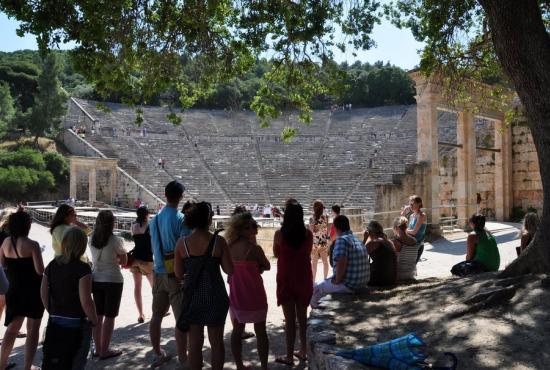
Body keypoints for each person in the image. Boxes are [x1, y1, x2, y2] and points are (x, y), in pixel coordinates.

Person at [174, 202, 233, 370]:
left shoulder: (182, 243)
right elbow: (229, 270)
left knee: (194, 344)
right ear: (209, 219)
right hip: (215, 296)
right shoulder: (219, 242)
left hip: (193, 298)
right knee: (216, 343)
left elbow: (179, 274)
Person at [41, 227, 98, 369]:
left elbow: (43, 293)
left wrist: (52, 310)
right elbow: (86, 299)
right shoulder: (83, 269)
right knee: (76, 362)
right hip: (77, 322)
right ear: (82, 245)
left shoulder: (52, 265)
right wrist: (94, 319)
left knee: (56, 360)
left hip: (55, 321)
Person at [148, 181, 190, 367]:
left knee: (156, 316)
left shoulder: (154, 219)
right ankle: (183, 357)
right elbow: (186, 248)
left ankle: (158, 352)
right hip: (176, 273)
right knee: (180, 318)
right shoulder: (181, 219)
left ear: (165, 195)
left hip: (158, 272)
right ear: (180, 197)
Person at [225, 212, 270, 370]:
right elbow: (268, 265)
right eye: (249, 226)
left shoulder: (228, 247)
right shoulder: (255, 249)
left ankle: (239, 365)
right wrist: (257, 268)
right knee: (261, 331)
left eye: (253, 225)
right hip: (255, 294)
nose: (253, 228)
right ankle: (264, 366)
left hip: (237, 294)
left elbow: (226, 270)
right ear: (241, 229)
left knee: (237, 331)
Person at [0, 210, 44, 370]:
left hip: (14, 290)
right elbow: (40, 271)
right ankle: (27, 366)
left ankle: (2, 364)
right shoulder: (33, 245)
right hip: (33, 291)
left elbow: (3, 264)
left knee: (12, 329)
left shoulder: (5, 243)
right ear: (27, 226)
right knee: (32, 329)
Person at [273, 200, 313, 366]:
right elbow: (308, 252)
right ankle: (303, 351)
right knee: (302, 319)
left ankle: (289, 355)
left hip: (286, 278)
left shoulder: (279, 235)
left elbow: (276, 254)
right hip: (303, 277)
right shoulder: (308, 234)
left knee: (289, 321)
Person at [89, 210, 127, 360]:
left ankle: (98, 348)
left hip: (96, 278)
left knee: (98, 316)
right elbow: (123, 261)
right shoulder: (115, 240)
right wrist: (116, 258)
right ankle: (105, 350)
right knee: (110, 317)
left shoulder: (91, 238)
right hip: (113, 280)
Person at [310, 215, 369, 309]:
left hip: (349, 284)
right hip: (362, 282)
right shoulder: (356, 239)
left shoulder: (342, 240)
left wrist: (337, 279)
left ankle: (318, 317)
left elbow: (342, 261)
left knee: (315, 289)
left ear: (336, 228)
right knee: (323, 283)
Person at [129, 206, 154, 324]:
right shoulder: (149, 226)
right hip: (147, 259)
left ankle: (140, 314)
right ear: (146, 215)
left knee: (137, 287)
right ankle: (159, 311)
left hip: (135, 259)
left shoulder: (133, 226)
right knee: (155, 288)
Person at [364, 221, 397, 287]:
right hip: (391, 280)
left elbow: (360, 254)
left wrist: (365, 239)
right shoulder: (389, 242)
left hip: (379, 281)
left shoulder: (373, 242)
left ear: (369, 232)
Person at [391, 217, 419, 281]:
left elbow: (395, 262)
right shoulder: (414, 240)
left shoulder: (396, 242)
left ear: (396, 228)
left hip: (401, 275)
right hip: (412, 274)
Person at [309, 200, 330, 282]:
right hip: (323, 241)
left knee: (314, 263)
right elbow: (326, 230)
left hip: (314, 242)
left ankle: (313, 281)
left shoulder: (312, 218)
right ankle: (325, 279)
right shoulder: (325, 217)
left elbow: (311, 231)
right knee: (325, 262)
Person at [406, 196, 427, 262]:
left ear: (419, 204)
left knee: (412, 266)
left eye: (413, 203)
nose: (411, 205)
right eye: (410, 204)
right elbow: (409, 230)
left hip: (418, 244)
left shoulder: (422, 215)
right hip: (410, 243)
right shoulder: (412, 216)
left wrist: (403, 230)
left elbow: (414, 232)